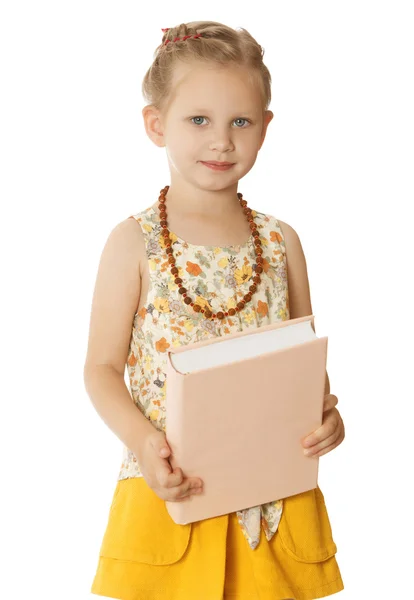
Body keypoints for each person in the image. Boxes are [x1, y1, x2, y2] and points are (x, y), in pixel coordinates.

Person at [84, 20, 345, 600]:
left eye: (241, 122)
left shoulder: (282, 243)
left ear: (265, 128)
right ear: (156, 124)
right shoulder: (135, 241)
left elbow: (305, 366)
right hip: (170, 493)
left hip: (274, 501)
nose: (221, 141)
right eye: (198, 120)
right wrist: (143, 442)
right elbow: (99, 369)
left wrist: (326, 417)